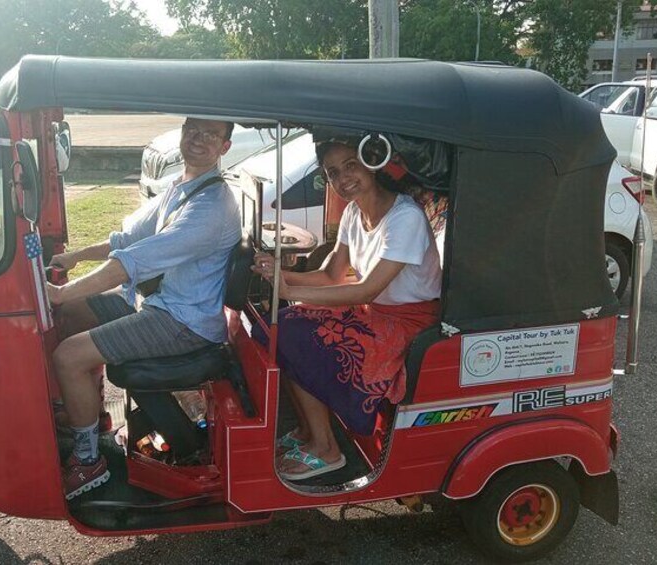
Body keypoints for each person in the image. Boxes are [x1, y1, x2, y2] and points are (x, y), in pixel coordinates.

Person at [47, 118, 240, 499]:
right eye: (193, 131)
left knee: (68, 356)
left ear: (225, 147)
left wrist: (59, 293)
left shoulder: (211, 206)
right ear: (182, 135)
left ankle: (88, 462)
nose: (199, 140)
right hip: (157, 305)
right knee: (71, 316)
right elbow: (128, 238)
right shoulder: (182, 187)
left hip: (185, 322)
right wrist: (73, 256)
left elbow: (132, 262)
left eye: (211, 135)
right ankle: (92, 417)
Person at [251, 140, 442, 481]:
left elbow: (368, 288)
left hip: (408, 320)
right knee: (274, 327)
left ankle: (327, 449)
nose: (344, 178)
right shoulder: (354, 211)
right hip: (374, 309)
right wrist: (278, 273)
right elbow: (331, 275)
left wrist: (290, 290)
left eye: (351, 165)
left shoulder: (405, 217)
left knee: (293, 332)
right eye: (333, 173)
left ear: (372, 163)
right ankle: (312, 432)